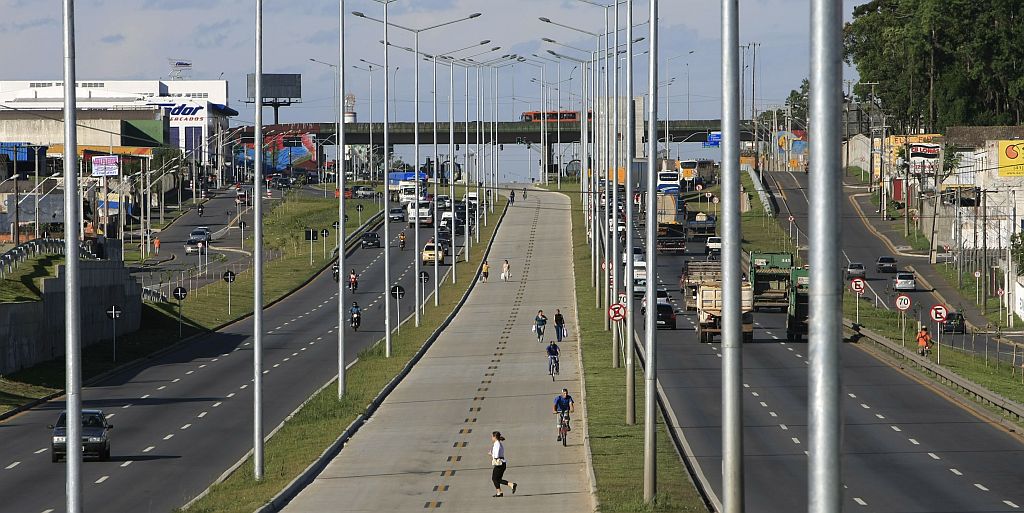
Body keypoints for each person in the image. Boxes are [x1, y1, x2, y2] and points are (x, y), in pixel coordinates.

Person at [489, 431, 517, 497]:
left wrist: (491, 454)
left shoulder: (497, 444)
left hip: (499, 464)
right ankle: (500, 492)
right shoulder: (498, 443)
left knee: (495, 479)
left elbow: (496, 455)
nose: (491, 438)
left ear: (495, 437)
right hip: (502, 463)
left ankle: (510, 485)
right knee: (497, 479)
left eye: (492, 436)